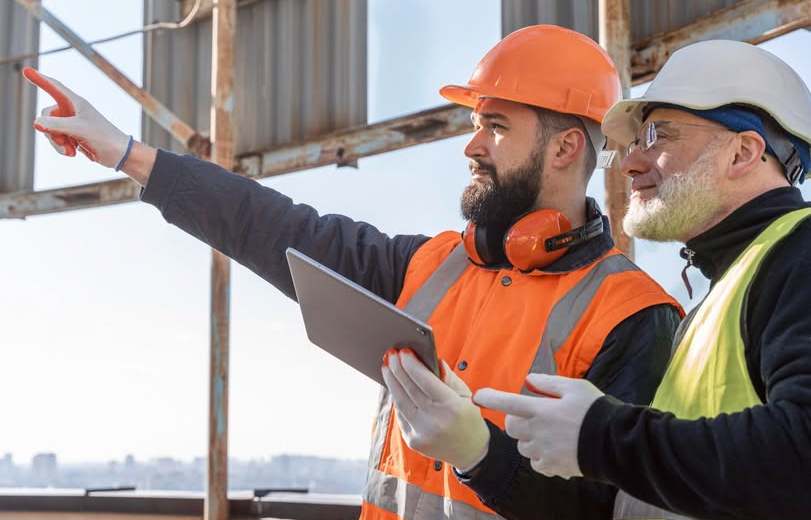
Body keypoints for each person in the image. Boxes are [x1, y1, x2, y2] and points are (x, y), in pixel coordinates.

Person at [27, 25, 681, 520]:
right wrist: (125, 152)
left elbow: (609, 509)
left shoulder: (632, 317)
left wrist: (482, 456)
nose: (470, 145)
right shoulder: (427, 267)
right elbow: (273, 226)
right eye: (474, 124)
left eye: (495, 126)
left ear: (565, 147)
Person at [476, 39, 811, 520]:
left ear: (742, 152)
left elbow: (799, 457)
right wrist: (478, 456)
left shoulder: (799, 254)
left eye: (658, 136)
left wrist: (603, 436)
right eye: (633, 144)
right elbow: (643, 495)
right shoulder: (726, 291)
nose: (630, 163)